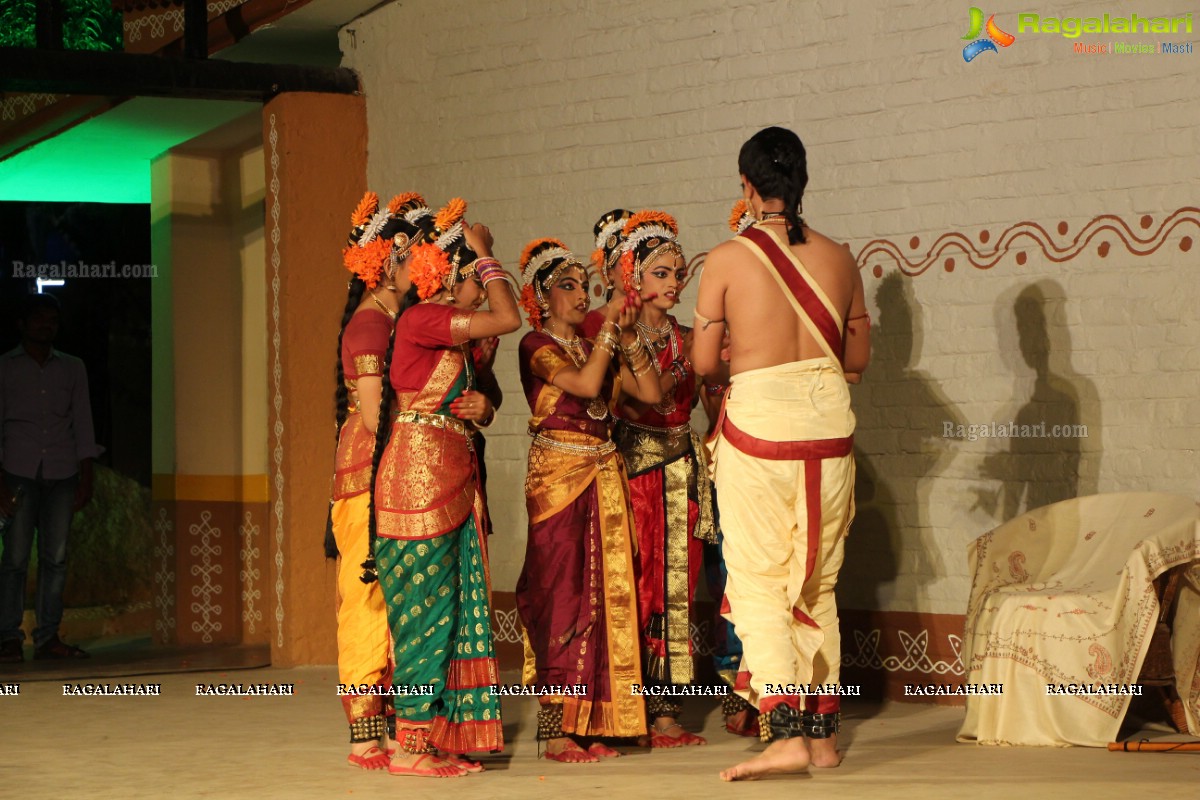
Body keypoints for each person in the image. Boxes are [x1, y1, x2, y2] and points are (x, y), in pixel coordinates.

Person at [692, 126, 870, 781]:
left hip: (760, 433)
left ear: (747, 186)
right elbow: (856, 360)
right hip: (828, 430)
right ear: (802, 184)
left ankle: (787, 730)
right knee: (818, 583)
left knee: (761, 581)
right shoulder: (840, 257)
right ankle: (824, 738)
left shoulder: (727, 259)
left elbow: (706, 365)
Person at [370, 198, 521, 778]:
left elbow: (477, 397)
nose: (482, 290)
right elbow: (509, 316)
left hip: (452, 478)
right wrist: (487, 255)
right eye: (473, 279)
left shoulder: (452, 338)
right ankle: (410, 743)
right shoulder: (422, 319)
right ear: (451, 276)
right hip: (418, 484)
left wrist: (483, 409)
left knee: (455, 612)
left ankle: (440, 735)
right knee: (424, 611)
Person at [514, 237, 661, 763]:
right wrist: (607, 338)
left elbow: (651, 394)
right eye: (567, 288)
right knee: (562, 597)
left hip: (601, 474)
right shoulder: (536, 345)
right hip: (559, 480)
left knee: (599, 600)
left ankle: (593, 720)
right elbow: (585, 384)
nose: (581, 296)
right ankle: (555, 731)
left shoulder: (592, 342)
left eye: (584, 287)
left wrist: (628, 336)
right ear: (542, 299)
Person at [326, 191, 433, 769]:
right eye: (416, 255)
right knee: (368, 599)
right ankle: (366, 730)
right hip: (367, 475)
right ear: (389, 261)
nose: (424, 265)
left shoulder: (396, 321)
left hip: (393, 473)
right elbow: (374, 416)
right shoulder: (371, 326)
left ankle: (397, 719)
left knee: (397, 601)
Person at [610, 211, 716, 747]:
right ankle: (627, 708)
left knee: (678, 588)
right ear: (633, 278)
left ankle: (668, 711)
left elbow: (706, 402)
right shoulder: (618, 339)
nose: (675, 282)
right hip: (632, 476)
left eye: (678, 273)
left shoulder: (690, 337)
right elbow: (634, 397)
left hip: (681, 476)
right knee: (636, 586)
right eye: (661, 273)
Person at [0, 292, 103, 662]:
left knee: (55, 559)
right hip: (17, 472)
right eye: (39, 318)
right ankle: (8, 638)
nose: (46, 325)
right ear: (22, 325)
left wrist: (86, 475)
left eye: (52, 320)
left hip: (62, 473)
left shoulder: (73, 367)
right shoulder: (5, 368)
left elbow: (83, 421)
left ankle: (47, 639)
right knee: (13, 558)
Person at [698, 200, 760, 739]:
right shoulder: (720, 330)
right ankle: (737, 686)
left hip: (789, 454)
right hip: (737, 461)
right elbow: (714, 405)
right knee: (733, 573)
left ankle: (789, 687)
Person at [579, 208, 632, 339]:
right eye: (626, 263)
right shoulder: (591, 324)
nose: (635, 270)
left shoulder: (655, 318)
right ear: (609, 273)